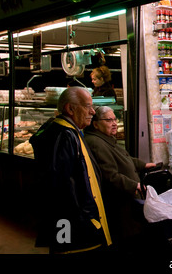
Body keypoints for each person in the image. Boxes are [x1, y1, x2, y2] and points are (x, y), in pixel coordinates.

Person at [29, 87, 112, 254]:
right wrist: (85, 221)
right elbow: (61, 190)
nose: (92, 112)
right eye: (88, 106)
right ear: (70, 108)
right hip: (76, 227)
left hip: (76, 223)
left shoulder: (67, 131)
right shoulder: (64, 136)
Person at [84, 106, 156, 251]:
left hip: (127, 199)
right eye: (108, 120)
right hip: (118, 203)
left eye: (115, 119)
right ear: (96, 124)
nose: (114, 123)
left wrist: (144, 165)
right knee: (125, 239)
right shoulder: (96, 143)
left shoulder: (106, 139)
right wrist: (134, 185)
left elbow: (125, 159)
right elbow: (110, 176)